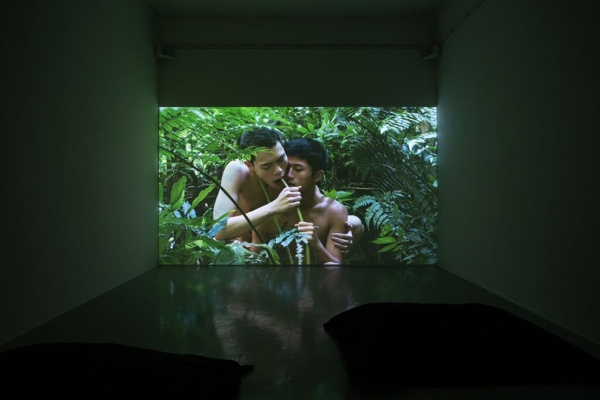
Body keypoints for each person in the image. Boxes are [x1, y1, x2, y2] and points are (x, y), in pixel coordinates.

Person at [212, 127, 362, 254]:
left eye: (281, 160)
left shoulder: (290, 173)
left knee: (356, 224)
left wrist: (344, 230)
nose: (278, 170)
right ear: (250, 165)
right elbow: (217, 230)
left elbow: (319, 209)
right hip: (240, 246)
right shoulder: (237, 171)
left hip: (278, 243)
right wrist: (273, 207)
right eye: (266, 166)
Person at [251, 137, 350, 265]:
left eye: (298, 169)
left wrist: (316, 244)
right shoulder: (269, 211)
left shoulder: (334, 211)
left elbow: (334, 266)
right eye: (287, 168)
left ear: (317, 175)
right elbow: (255, 261)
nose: (288, 175)